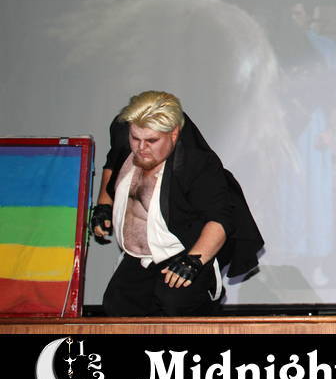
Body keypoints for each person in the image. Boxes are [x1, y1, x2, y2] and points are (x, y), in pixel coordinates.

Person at [90, 90, 264, 316]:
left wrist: (194, 261)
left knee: (175, 302)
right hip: (138, 257)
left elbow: (220, 219)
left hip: (182, 252)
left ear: (173, 134)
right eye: (135, 138)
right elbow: (112, 162)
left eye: (151, 140)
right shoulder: (125, 133)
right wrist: (104, 204)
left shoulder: (196, 164)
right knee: (116, 305)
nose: (141, 148)